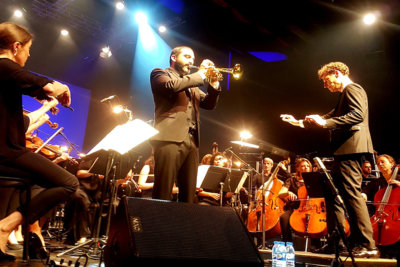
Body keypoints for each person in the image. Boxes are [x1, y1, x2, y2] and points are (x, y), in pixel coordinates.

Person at [281, 61, 379, 258]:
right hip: (343, 152)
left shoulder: (353, 88)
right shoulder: (344, 96)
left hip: (351, 150)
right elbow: (328, 117)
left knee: (351, 195)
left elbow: (357, 115)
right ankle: (337, 242)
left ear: (337, 73)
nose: (325, 86)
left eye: (326, 81)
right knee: (331, 194)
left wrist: (325, 122)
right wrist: (300, 122)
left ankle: (368, 246)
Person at [0, 22, 78, 260]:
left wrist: (46, 97)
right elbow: (34, 81)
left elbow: (21, 117)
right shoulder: (4, 65)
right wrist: (59, 87)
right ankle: (5, 227)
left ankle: (14, 230)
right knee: (68, 183)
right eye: (28, 48)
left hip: (8, 149)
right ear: (16, 47)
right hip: (6, 153)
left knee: (39, 185)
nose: (29, 53)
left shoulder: (6, 76)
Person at [149, 46, 221, 203]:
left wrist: (214, 85)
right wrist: (201, 74)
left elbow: (208, 104)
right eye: (187, 57)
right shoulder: (160, 73)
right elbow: (172, 86)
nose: (191, 61)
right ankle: (157, 227)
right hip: (169, 138)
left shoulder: (192, 85)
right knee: (163, 190)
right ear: (174, 58)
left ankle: (182, 227)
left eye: (193, 59)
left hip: (192, 142)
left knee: (189, 194)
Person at [277, 158, 312, 242]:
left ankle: (315, 245)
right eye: (303, 166)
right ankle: (287, 243)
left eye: (307, 166)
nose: (306, 167)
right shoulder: (291, 180)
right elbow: (280, 193)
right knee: (283, 218)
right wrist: (288, 192)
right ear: (298, 168)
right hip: (295, 208)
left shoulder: (312, 179)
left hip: (311, 207)